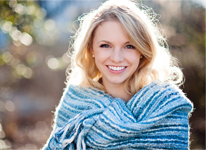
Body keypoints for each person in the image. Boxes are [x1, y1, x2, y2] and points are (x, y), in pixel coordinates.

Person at [42, 0, 193, 149]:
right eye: (105, 45)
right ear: (91, 49)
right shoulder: (75, 103)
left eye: (129, 46)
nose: (116, 57)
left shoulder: (167, 106)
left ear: (142, 50)